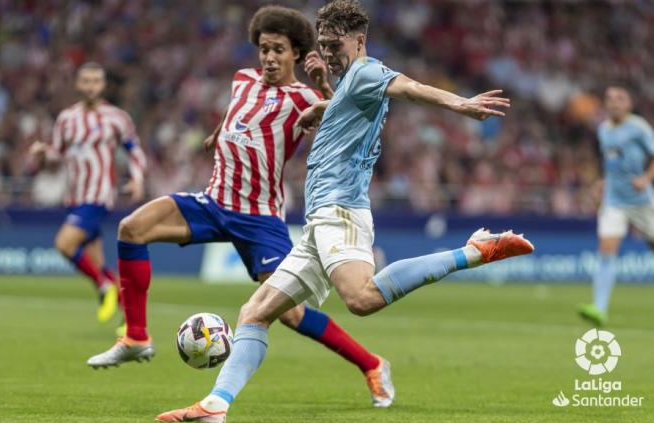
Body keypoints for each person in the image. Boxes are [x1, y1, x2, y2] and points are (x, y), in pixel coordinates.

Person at [155, 1, 534, 421]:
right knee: (255, 312)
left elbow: (406, 86)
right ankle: (215, 406)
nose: (328, 51)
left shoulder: (368, 70)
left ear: (359, 41)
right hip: (320, 221)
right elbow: (353, 109)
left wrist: (460, 104)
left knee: (361, 298)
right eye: (322, 43)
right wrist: (325, 103)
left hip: (341, 211)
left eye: (335, 44)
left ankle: (475, 251)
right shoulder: (351, 83)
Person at [86, 5, 395, 408]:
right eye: (264, 49)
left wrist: (323, 86)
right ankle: (136, 336)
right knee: (131, 228)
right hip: (214, 201)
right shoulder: (242, 80)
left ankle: (371, 363)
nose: (268, 57)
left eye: (279, 50)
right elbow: (237, 115)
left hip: (259, 217)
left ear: (297, 55)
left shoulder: (303, 95)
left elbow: (345, 122)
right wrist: (219, 135)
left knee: (290, 313)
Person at [29, 62, 146, 323]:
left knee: (64, 244)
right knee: (97, 263)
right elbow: (56, 155)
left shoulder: (117, 117)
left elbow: (134, 151)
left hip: (99, 196)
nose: (91, 86)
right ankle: (130, 321)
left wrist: (137, 179)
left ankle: (106, 288)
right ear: (78, 84)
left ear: (103, 85)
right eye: (86, 81)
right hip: (75, 197)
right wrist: (42, 154)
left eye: (96, 81)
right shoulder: (66, 119)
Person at [578, 86, 654, 326]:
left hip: (641, 200)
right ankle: (599, 309)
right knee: (606, 251)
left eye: (619, 99)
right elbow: (612, 163)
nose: (614, 103)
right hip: (614, 201)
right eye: (609, 99)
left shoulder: (639, 127)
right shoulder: (604, 130)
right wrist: (602, 183)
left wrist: (646, 178)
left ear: (629, 104)